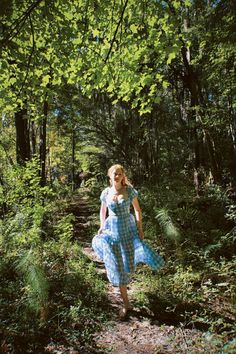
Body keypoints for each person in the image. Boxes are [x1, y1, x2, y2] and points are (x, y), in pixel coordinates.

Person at [92, 164, 164, 319]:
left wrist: (140, 228)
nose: (117, 176)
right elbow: (103, 211)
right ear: (109, 176)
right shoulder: (106, 192)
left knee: (129, 267)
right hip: (112, 232)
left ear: (123, 175)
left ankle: (127, 286)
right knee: (118, 268)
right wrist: (102, 226)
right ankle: (126, 304)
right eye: (114, 174)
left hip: (128, 231)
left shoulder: (130, 191)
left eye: (120, 174)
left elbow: (137, 210)